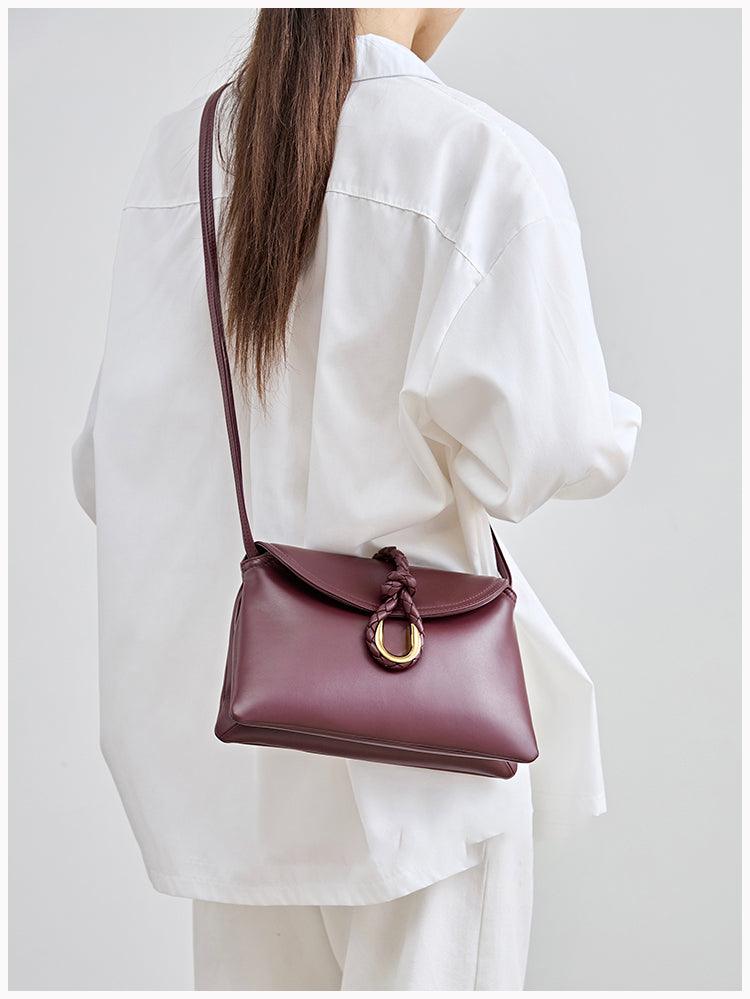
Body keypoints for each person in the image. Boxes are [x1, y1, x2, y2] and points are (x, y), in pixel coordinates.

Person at [72, 8, 641, 991]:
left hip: (239, 766)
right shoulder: (472, 159)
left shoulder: (183, 156)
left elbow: (105, 468)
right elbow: (549, 450)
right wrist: (610, 419)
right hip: (425, 755)